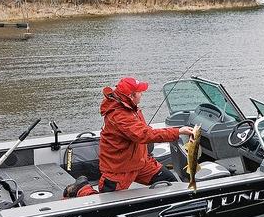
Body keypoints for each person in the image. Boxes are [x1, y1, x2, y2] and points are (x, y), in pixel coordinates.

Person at [64, 77, 194, 198]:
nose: (142, 94)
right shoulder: (119, 116)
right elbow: (144, 134)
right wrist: (178, 131)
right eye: (139, 92)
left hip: (141, 163)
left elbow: (143, 131)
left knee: (169, 181)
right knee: (105, 201)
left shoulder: (131, 107)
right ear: (131, 96)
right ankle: (81, 188)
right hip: (119, 168)